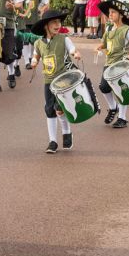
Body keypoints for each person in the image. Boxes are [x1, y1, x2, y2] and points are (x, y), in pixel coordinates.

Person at [30, 9, 81, 154]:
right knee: (49, 109)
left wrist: (75, 53)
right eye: (54, 22)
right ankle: (52, 141)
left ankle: (66, 131)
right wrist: (34, 61)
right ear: (46, 25)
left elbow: (72, 49)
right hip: (48, 81)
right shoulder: (39, 42)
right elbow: (36, 55)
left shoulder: (64, 38)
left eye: (59, 22)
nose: (58, 25)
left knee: (60, 108)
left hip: (63, 80)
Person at [95, 0, 129, 129]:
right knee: (103, 87)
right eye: (109, 13)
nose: (110, 15)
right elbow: (104, 44)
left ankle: (122, 118)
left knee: (121, 90)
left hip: (121, 63)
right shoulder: (108, 29)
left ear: (121, 15)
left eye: (113, 12)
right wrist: (99, 47)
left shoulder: (126, 30)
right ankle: (113, 107)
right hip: (109, 63)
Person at [17, 0, 48, 69]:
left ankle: (30, 57)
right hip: (24, 19)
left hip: (35, 18)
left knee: (33, 40)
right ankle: (26, 62)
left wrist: (42, 10)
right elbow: (17, 3)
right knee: (25, 39)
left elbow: (47, 3)